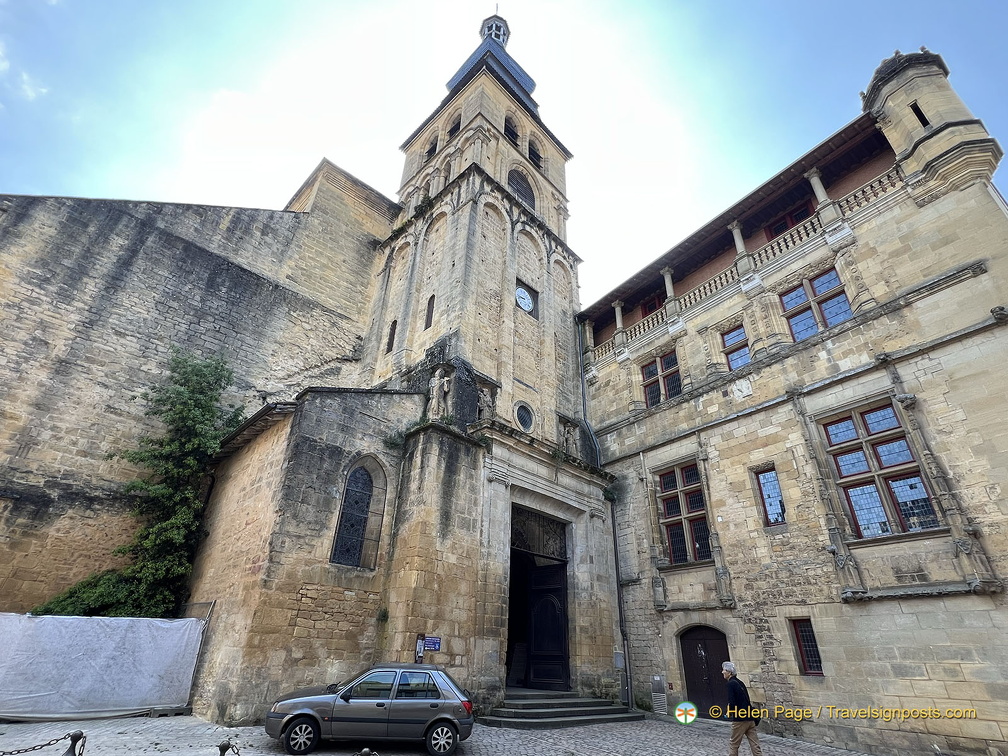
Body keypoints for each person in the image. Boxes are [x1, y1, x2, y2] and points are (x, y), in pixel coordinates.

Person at [722, 661, 763, 756]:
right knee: (755, 744)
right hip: (750, 717)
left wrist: (729, 713)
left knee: (734, 744)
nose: (722, 672)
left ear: (729, 672)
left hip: (740, 719)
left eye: (724, 670)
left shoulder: (730, 684)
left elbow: (732, 702)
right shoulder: (740, 682)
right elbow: (747, 699)